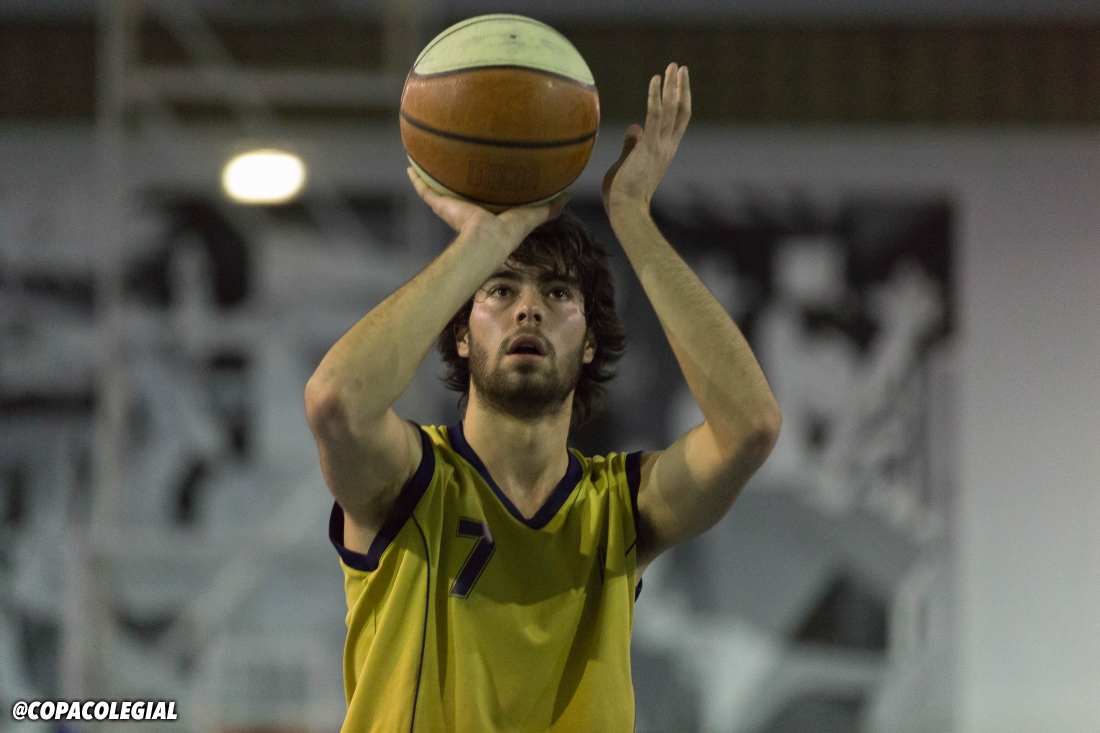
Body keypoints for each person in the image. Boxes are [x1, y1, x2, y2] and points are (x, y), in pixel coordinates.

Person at [304, 63, 781, 732]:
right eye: (500, 291)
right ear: (461, 336)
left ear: (589, 344)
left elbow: (751, 425)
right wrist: (483, 242)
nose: (528, 308)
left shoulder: (619, 509)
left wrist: (633, 219)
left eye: (557, 293)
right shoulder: (410, 483)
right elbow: (335, 401)